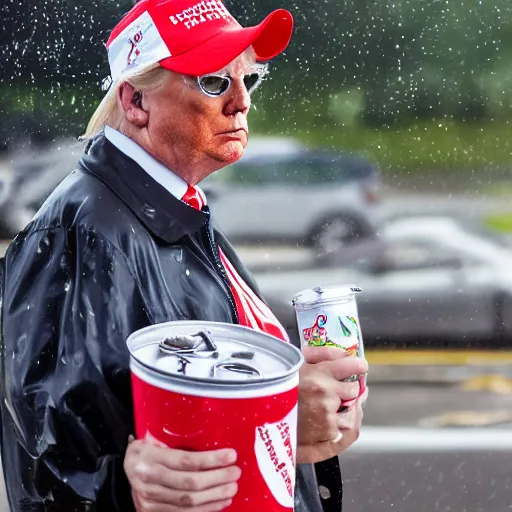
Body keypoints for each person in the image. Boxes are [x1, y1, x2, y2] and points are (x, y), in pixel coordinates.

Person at [0, 0, 368, 510]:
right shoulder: (86, 232)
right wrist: (278, 413)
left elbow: (190, 420)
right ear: (134, 102)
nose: (241, 103)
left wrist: (311, 425)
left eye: (249, 81)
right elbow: (55, 475)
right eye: (214, 81)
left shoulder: (171, 209)